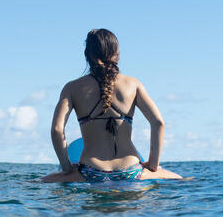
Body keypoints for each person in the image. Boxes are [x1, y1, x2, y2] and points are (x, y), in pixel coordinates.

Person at [42, 29, 182, 182]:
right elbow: (158, 123)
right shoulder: (133, 84)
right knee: (183, 179)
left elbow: (57, 130)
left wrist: (67, 168)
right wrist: (153, 165)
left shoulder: (72, 88)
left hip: (90, 172)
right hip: (131, 171)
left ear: (88, 55)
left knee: (37, 182)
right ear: (117, 54)